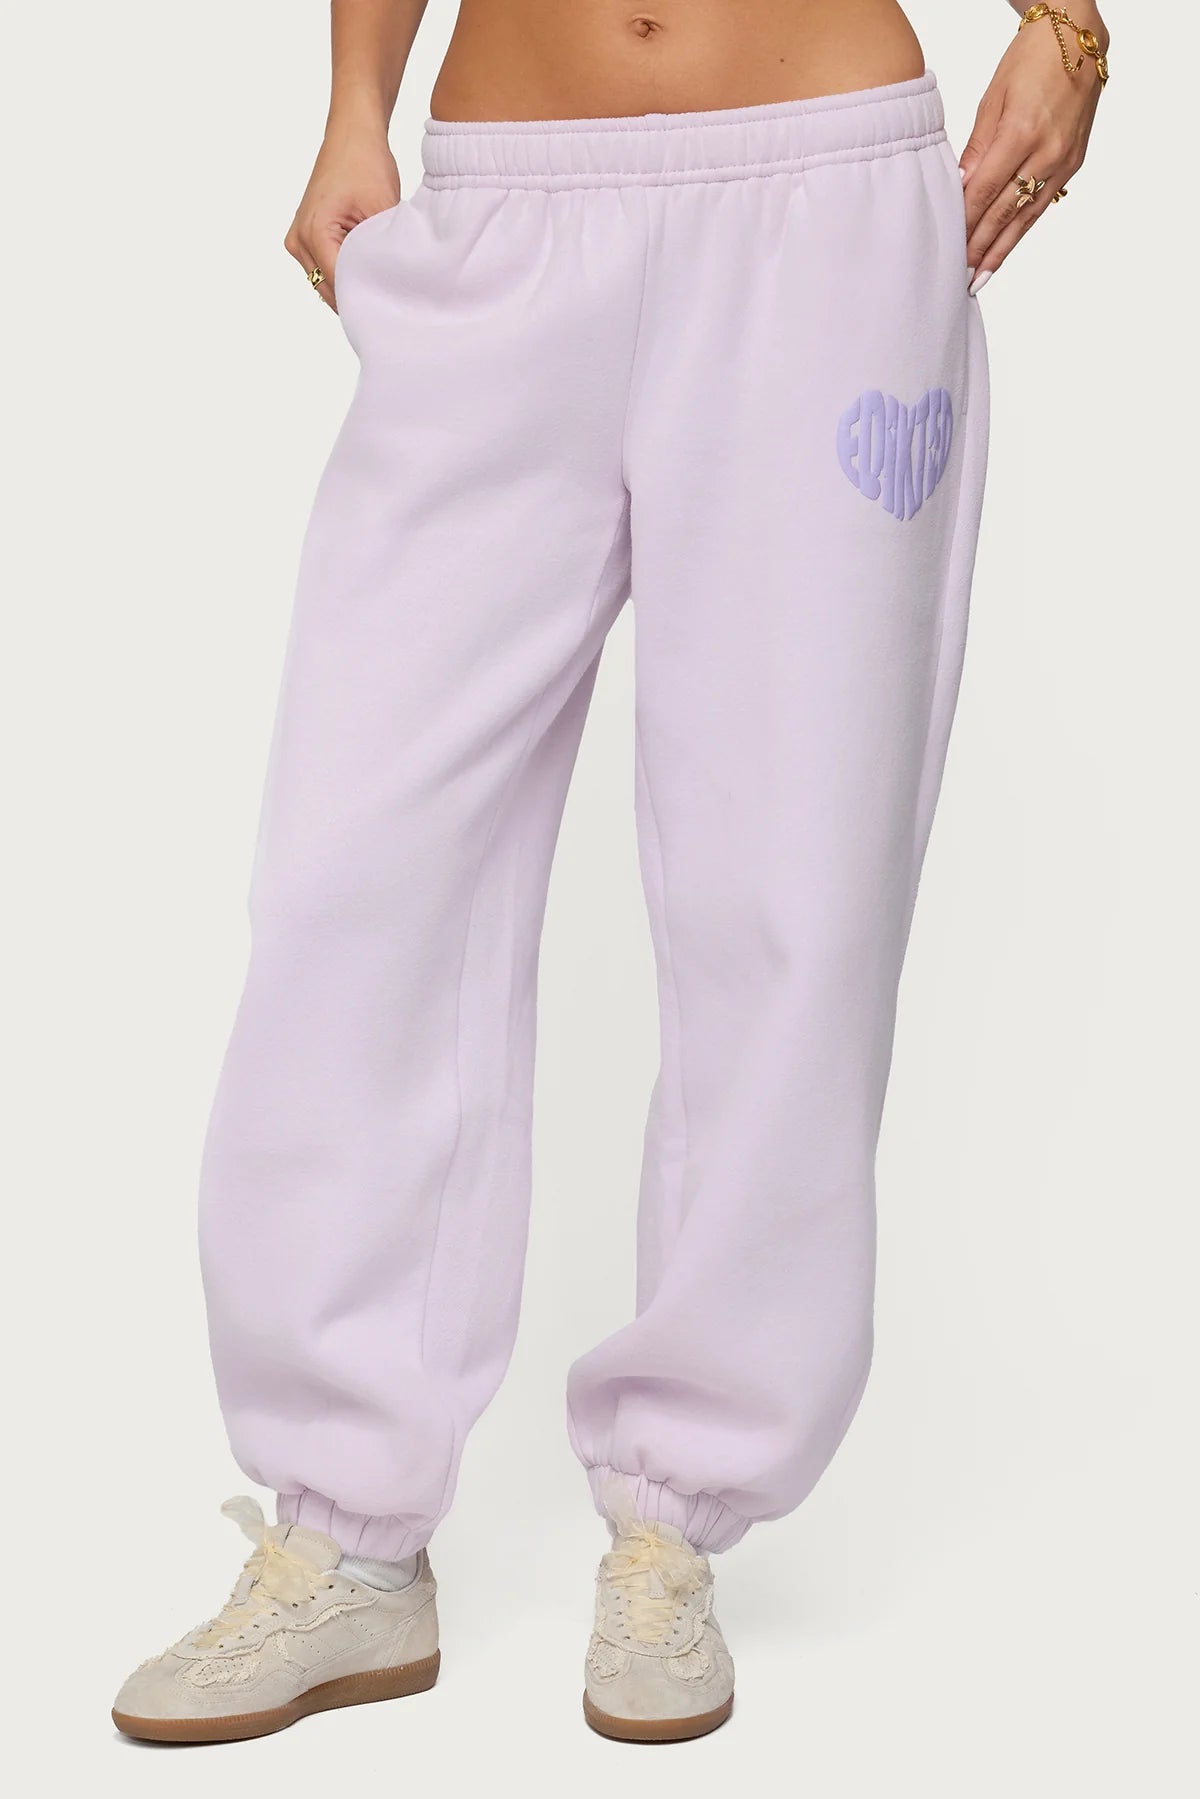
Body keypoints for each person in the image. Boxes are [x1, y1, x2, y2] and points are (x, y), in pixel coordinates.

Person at [112, 0, 1108, 1746]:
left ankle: (674, 1524)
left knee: (790, 888)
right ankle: (345, 1536)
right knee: (356, 869)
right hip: (505, 200)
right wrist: (354, 102)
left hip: (822, 199)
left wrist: (1071, 24)